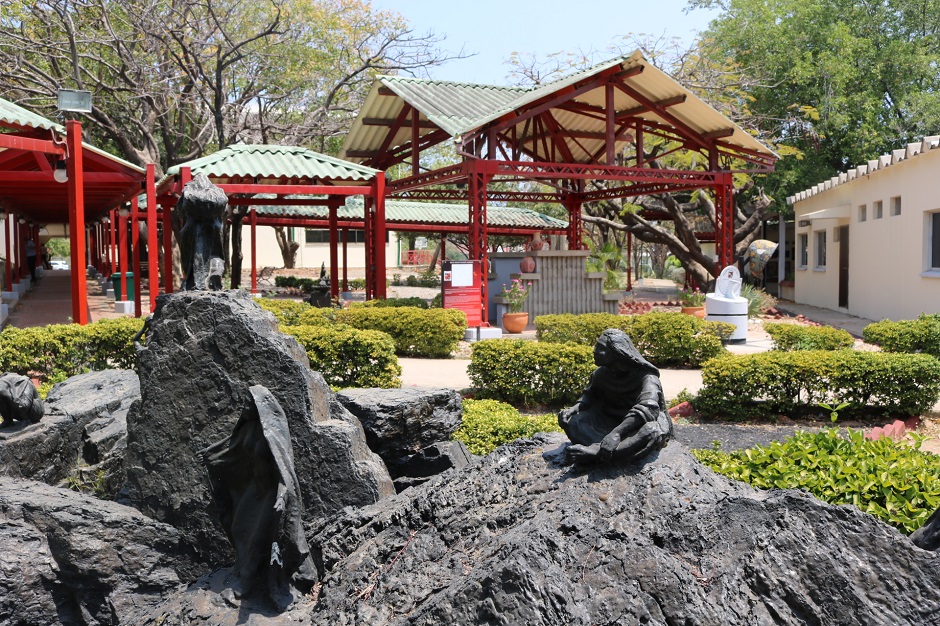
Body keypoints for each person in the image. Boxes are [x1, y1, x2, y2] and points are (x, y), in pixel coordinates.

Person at [558, 328, 673, 464]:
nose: (595, 351)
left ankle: (595, 454)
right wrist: (575, 408)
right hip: (609, 421)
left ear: (616, 353)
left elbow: (648, 408)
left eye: (600, 348)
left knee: (651, 431)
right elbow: (590, 396)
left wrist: (617, 433)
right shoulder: (600, 374)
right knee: (573, 421)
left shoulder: (647, 378)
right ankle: (609, 449)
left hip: (636, 425)